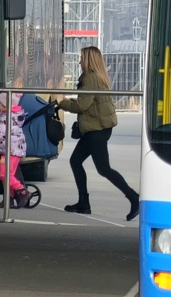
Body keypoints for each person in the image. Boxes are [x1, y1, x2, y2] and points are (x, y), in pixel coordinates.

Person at [57, 46, 140, 221]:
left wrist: (62, 102)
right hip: (98, 128)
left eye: (81, 58)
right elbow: (86, 103)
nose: (79, 61)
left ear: (88, 60)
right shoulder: (98, 76)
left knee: (104, 169)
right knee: (76, 161)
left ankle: (134, 198)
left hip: (96, 130)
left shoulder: (90, 78)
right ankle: (83, 203)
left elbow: (81, 105)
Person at [0, 92, 28, 208]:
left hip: (10, 150)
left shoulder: (6, 117)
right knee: (9, 175)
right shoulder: (13, 116)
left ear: (4, 105)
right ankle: (8, 199)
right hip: (14, 149)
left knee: (5, 175)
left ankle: (22, 191)